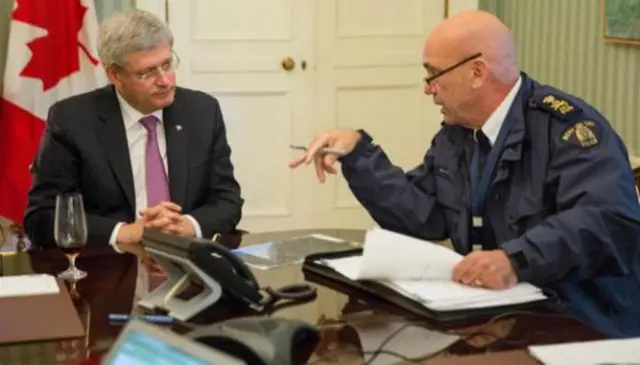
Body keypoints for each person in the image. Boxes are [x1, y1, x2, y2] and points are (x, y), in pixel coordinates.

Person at [290, 10, 640, 337]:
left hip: (580, 325)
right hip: (492, 319)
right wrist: (359, 154)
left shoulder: (567, 129)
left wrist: (516, 261)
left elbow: (608, 221)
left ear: (477, 72)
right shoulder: (457, 135)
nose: (428, 88)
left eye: (433, 74)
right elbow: (423, 216)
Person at [25, 10, 243, 268]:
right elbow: (43, 217)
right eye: (147, 72)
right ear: (114, 75)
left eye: (167, 64)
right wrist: (127, 231)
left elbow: (227, 199)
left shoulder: (202, 111)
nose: (165, 80)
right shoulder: (72, 120)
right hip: (107, 269)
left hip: (189, 265)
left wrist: (186, 225)